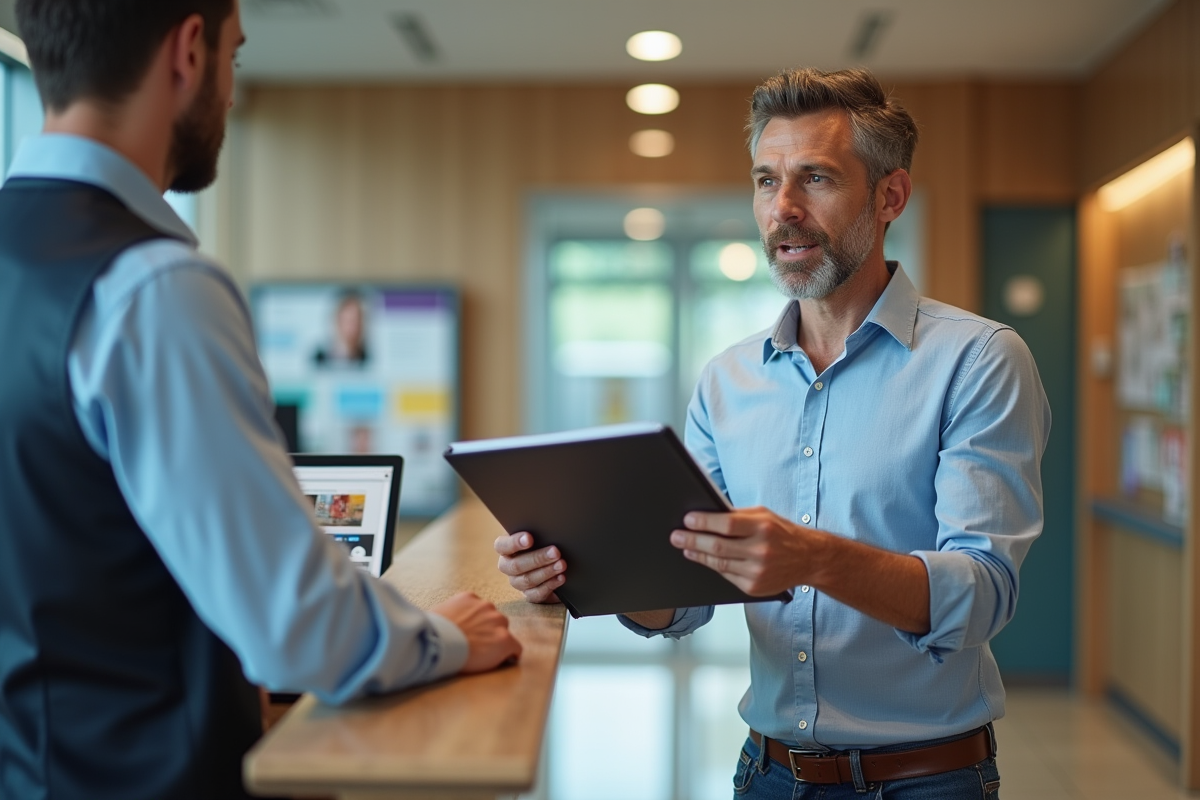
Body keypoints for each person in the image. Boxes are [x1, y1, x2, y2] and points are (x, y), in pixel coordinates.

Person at [0, 2, 521, 799]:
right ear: (188, 51)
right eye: (235, 60)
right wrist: (449, 635)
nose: (233, 95)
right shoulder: (153, 288)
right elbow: (297, 627)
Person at [496, 67, 1049, 799]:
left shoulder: (978, 360)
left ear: (890, 196)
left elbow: (981, 596)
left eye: (815, 178)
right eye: (765, 180)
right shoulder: (728, 380)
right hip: (767, 773)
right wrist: (589, 571)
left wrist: (812, 558)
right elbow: (684, 597)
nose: (782, 209)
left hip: (924, 780)